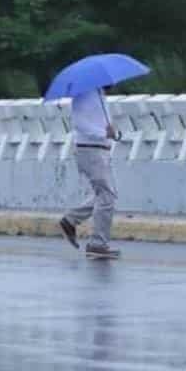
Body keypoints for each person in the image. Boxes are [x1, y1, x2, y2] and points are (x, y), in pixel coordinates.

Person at [59, 87, 121, 259]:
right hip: (91, 150)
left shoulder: (99, 95)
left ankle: (70, 220)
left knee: (105, 194)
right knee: (107, 196)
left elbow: (101, 125)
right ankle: (97, 244)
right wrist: (103, 133)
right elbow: (79, 123)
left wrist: (111, 134)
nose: (114, 83)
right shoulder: (84, 94)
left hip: (98, 150)